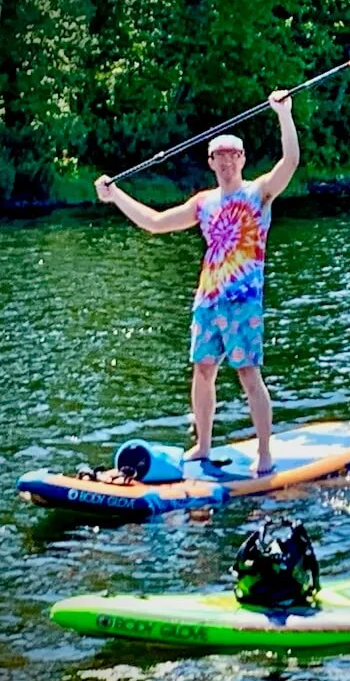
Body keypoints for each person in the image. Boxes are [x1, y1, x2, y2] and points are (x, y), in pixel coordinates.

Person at [95, 91, 299, 474]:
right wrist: (116, 196)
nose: (225, 162)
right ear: (211, 163)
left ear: (242, 159)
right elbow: (155, 224)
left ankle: (266, 453)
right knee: (203, 371)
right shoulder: (203, 203)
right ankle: (202, 446)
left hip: (243, 301)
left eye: (231, 155)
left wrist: (283, 115)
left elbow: (290, 162)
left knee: (247, 374)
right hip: (208, 301)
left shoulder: (259, 192)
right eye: (218, 157)